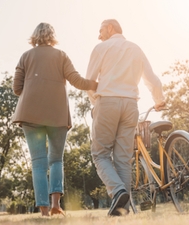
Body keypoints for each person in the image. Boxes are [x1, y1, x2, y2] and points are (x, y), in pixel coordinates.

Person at [12, 22, 98, 217]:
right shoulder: (61, 56)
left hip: (30, 115)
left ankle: (43, 210)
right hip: (57, 116)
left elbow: (17, 88)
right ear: (52, 36)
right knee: (56, 160)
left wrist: (34, 86)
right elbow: (77, 81)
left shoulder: (25, 56)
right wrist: (96, 84)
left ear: (34, 36)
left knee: (38, 163)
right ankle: (55, 206)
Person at [86, 19, 166, 216]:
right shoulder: (135, 49)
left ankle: (118, 191)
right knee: (123, 158)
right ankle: (122, 210)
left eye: (100, 30)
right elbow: (152, 78)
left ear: (110, 28)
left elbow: (89, 82)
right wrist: (159, 99)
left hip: (107, 102)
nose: (99, 35)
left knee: (100, 154)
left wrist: (95, 103)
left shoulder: (101, 48)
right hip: (131, 105)